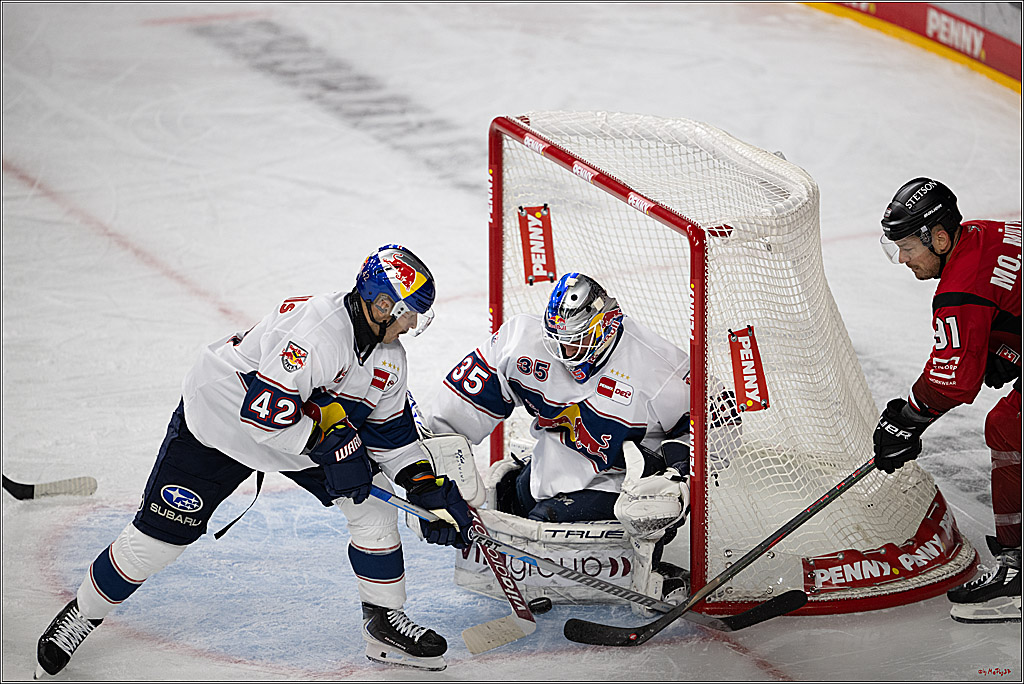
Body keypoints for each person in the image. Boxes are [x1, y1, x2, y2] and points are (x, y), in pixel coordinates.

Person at [35, 244, 474, 676]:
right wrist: (331, 448)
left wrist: (423, 486)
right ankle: (83, 613)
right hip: (220, 423)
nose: (414, 323)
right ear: (380, 305)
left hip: (295, 429)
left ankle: (383, 623)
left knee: (373, 504)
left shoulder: (390, 358)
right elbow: (262, 419)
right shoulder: (314, 333)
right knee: (156, 544)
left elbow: (391, 435)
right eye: (408, 311)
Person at [422, 272, 702, 606]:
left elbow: (721, 420)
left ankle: (638, 563)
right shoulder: (521, 342)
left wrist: (677, 476)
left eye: (575, 340)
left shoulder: (661, 368)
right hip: (553, 461)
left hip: (615, 482)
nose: (563, 351)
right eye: (557, 339)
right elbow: (452, 415)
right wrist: (430, 480)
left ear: (606, 327)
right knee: (513, 498)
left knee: (544, 528)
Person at [873, 178, 1021, 624]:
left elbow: (952, 382)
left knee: (1009, 426)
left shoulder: (960, 289)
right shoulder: (983, 233)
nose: (902, 259)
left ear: (939, 237)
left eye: (907, 248)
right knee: (1008, 425)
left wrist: (906, 418)